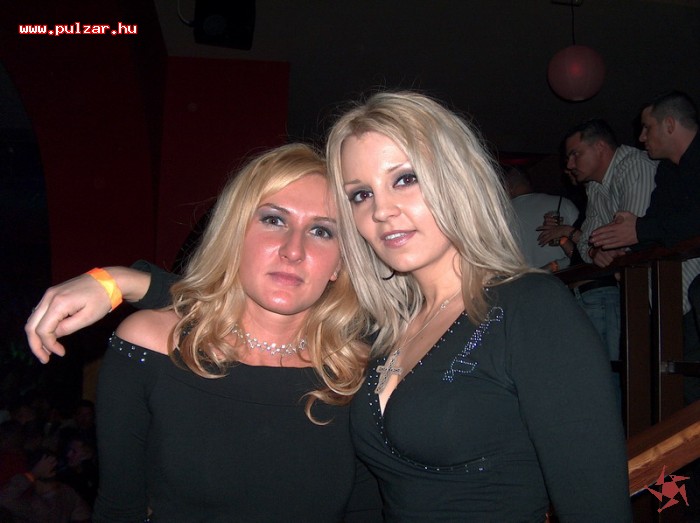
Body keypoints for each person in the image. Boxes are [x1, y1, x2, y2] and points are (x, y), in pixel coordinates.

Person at [26, 93, 631, 521]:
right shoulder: (383, 333)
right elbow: (249, 302)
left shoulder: (530, 308)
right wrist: (120, 281)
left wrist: (123, 280)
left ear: (456, 178)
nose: (382, 210)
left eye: (405, 178)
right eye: (361, 194)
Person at [32, 144, 383, 522]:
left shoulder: (357, 373)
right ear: (234, 235)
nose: (293, 250)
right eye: (274, 220)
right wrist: (115, 279)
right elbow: (120, 509)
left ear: (340, 263)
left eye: (321, 231)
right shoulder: (150, 346)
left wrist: (125, 281)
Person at [590, 90, 700, 402]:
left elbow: (674, 224)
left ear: (670, 125)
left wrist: (639, 229)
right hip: (682, 296)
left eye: (647, 127)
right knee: (682, 377)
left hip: (690, 289)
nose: (640, 137)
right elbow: (656, 226)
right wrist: (619, 251)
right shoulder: (667, 171)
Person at [547, 119, 657, 388]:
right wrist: (596, 249)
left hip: (674, 286)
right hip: (642, 291)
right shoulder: (596, 187)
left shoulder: (633, 165)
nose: (569, 164)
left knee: (659, 375)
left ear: (600, 147)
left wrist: (600, 246)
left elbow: (631, 235)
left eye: (575, 154)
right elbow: (588, 245)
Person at [502, 166, 579, 271]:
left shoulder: (498, 216)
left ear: (506, 187)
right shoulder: (563, 203)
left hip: (522, 279)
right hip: (567, 276)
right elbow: (585, 248)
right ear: (528, 182)